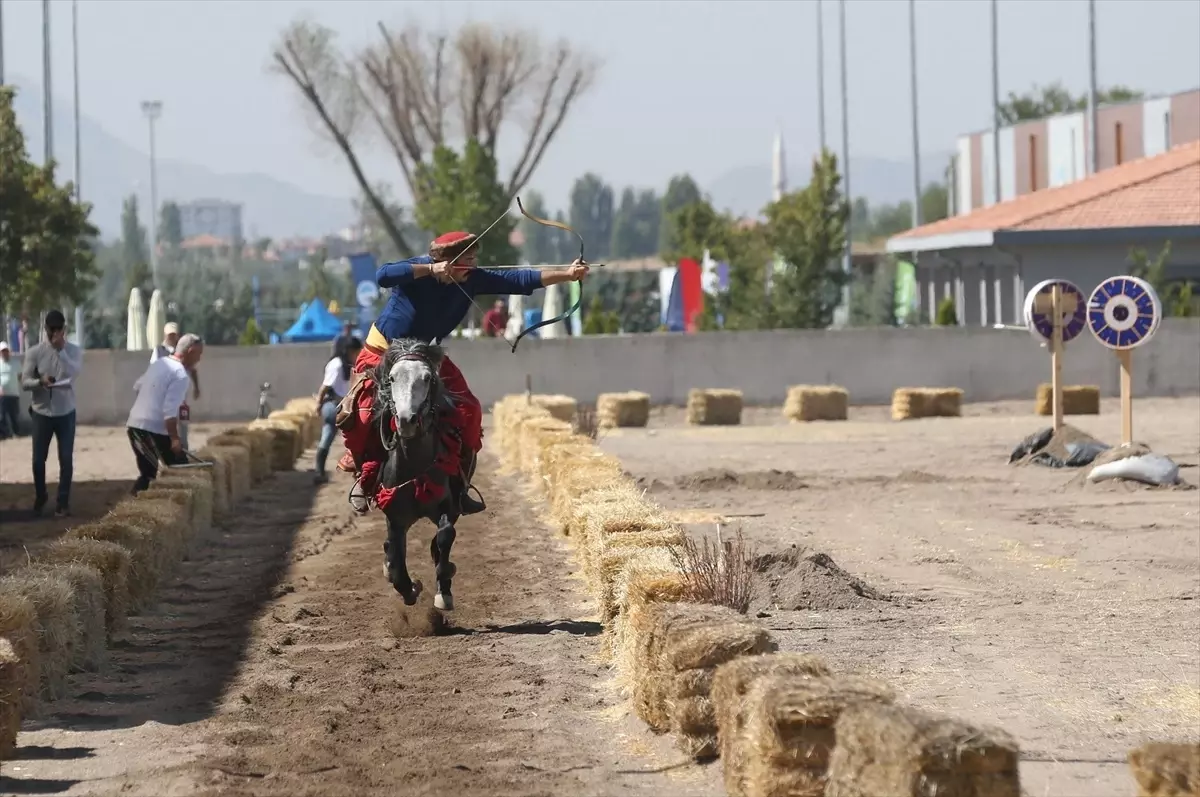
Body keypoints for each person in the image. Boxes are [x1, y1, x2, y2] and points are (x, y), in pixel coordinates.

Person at [338, 230, 588, 515]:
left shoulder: (472, 278)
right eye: (466, 259)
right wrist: (431, 270)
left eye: (474, 258)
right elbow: (383, 275)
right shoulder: (419, 269)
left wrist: (568, 274)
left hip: (425, 355)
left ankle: (460, 482)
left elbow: (519, 280)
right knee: (362, 414)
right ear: (446, 260)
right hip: (383, 352)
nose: (472, 264)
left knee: (470, 410)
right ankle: (364, 475)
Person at [21, 310, 84, 516]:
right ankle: (41, 495)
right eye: (52, 330)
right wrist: (40, 382)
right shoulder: (35, 352)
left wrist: (62, 351)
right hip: (42, 412)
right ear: (46, 329)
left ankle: (62, 501)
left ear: (64, 329)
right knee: (38, 460)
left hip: (66, 411)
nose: (55, 334)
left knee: (66, 458)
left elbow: (75, 372)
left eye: (59, 329)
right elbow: (25, 382)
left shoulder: (73, 350)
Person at [127, 334, 204, 494]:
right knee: (176, 470)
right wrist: (175, 439)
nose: (199, 359)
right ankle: (134, 502)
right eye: (199, 354)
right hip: (151, 428)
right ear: (190, 351)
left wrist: (148, 405)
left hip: (135, 425)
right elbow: (170, 412)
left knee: (154, 471)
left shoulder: (159, 363)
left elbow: (137, 386)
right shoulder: (180, 375)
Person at [313, 335, 362, 484]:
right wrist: (318, 404)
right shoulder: (337, 364)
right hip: (334, 406)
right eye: (356, 352)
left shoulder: (345, 365)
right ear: (348, 351)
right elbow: (325, 387)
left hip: (338, 405)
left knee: (327, 437)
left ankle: (320, 471)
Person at [150, 322, 200, 451]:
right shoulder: (159, 350)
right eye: (170, 335)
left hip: (181, 393)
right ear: (165, 335)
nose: (172, 337)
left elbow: (192, 369)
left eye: (174, 334)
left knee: (183, 420)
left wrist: (196, 387)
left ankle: (184, 447)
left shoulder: (183, 350)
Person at [0, 341, 21, 439]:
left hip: (14, 393)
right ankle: (5, 434)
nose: (4, 353)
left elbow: (20, 376)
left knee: (14, 415)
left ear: (9, 351)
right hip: (2, 394)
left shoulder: (16, 363)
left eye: (6, 351)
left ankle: (16, 433)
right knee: (2, 415)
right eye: (2, 351)